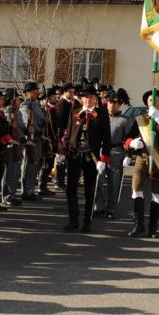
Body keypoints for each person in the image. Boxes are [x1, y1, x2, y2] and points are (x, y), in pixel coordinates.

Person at [124, 90, 159, 238]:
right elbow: (128, 138)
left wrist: (158, 118)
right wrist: (131, 144)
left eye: (156, 99)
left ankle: (153, 227)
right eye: (149, 100)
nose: (152, 102)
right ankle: (138, 224)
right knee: (136, 188)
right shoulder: (141, 119)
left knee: (157, 192)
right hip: (142, 157)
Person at [61, 83, 111, 232]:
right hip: (75, 154)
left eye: (91, 97)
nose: (88, 100)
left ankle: (87, 222)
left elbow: (106, 138)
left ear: (95, 99)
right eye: (85, 97)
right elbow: (68, 133)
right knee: (71, 188)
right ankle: (73, 220)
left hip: (92, 156)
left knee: (90, 190)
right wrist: (62, 151)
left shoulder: (101, 114)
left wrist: (103, 159)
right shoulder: (75, 112)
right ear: (81, 99)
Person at [95, 91, 135, 219]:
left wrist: (129, 154)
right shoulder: (100, 117)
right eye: (110, 102)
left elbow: (129, 138)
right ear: (107, 103)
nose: (112, 105)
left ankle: (110, 208)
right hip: (101, 151)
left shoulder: (124, 120)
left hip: (116, 151)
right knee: (98, 179)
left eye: (116, 103)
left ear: (120, 105)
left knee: (114, 181)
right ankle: (98, 206)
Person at [19, 82, 45, 201]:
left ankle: (30, 189)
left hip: (38, 137)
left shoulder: (36, 105)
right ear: (28, 93)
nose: (36, 93)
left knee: (34, 166)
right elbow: (26, 120)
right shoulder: (25, 105)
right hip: (31, 138)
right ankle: (26, 191)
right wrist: (31, 129)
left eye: (36, 91)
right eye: (34, 91)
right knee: (28, 165)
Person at [38, 86, 60, 196]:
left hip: (52, 139)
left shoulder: (53, 109)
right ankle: (41, 186)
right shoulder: (45, 110)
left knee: (50, 163)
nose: (56, 97)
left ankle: (44, 185)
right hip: (47, 140)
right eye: (53, 96)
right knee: (46, 164)